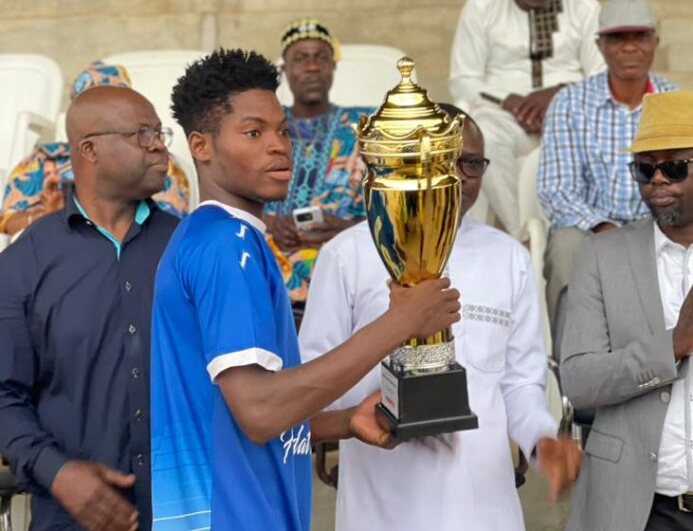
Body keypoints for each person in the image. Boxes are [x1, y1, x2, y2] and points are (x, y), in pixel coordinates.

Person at [150, 48, 461, 531]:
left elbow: (232, 416)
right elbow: (259, 411)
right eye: (254, 133)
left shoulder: (220, 238)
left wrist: (343, 423)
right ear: (201, 146)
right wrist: (400, 322)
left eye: (282, 131)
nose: (278, 146)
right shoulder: (225, 246)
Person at [299, 104, 581, 531]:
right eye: (447, 160)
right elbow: (315, 385)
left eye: (473, 163)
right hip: (382, 509)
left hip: (485, 510)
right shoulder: (348, 254)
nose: (461, 176)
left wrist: (542, 442)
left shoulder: (508, 258)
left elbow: (521, 384)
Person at [561, 90, 693, 531]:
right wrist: (669, 348)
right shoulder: (600, 256)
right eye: (644, 168)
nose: (656, 180)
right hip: (639, 512)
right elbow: (578, 382)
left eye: (673, 167)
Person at [0, 85, 179, 531]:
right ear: (90, 150)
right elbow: (3, 394)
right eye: (142, 134)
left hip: (189, 512)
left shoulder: (188, 247)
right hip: (71, 519)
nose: (159, 146)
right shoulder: (25, 263)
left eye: (159, 133)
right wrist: (57, 471)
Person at [538, 0, 680, 350]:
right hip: (592, 229)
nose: (629, 47)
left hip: (663, 225)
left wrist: (659, 228)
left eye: (640, 36)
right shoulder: (570, 102)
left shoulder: (677, 102)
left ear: (655, 42)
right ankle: (572, 364)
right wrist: (606, 230)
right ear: (600, 45)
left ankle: (685, 356)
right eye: (617, 38)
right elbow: (557, 189)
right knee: (566, 246)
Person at [450, 0, 604, 238]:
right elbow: (463, 79)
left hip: (569, 114)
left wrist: (559, 95)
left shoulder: (583, 7)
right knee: (484, 133)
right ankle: (518, 236)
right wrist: (510, 101)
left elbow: (601, 76)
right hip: (506, 117)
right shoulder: (483, 7)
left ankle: (575, 233)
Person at [0, 61, 190, 240]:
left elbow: (171, 231)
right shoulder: (44, 160)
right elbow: (7, 224)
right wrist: (49, 216)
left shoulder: (157, 160)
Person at [263, 19, 368, 304]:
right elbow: (229, 192)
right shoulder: (263, 128)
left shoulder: (364, 127)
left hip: (347, 258)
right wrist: (271, 222)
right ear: (284, 70)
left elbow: (394, 210)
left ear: (333, 66)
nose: (312, 66)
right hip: (271, 262)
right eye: (300, 58)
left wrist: (347, 228)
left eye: (321, 57)